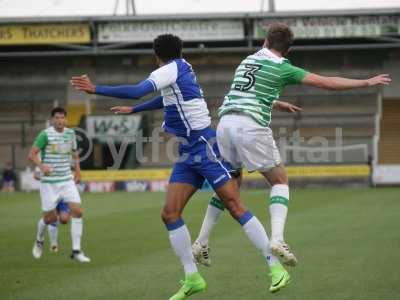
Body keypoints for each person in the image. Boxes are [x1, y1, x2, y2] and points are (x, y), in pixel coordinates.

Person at [71, 34, 291, 298]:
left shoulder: (169, 69)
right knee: (170, 213)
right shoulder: (181, 67)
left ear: (156, 54)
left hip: (206, 146)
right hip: (188, 151)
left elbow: (139, 89)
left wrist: (97, 89)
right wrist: (136, 110)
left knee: (234, 204)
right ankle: (192, 277)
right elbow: (167, 99)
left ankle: (275, 268)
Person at [191, 22, 391, 268]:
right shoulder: (284, 68)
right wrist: (366, 82)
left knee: (230, 185)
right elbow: (326, 83)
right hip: (250, 126)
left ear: (265, 42)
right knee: (279, 181)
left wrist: (276, 102)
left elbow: (247, 92)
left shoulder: (248, 61)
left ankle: (201, 242)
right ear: (287, 51)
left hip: (225, 124)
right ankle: (277, 239)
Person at [28, 107, 90, 262]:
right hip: (49, 183)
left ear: (66, 119)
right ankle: (39, 240)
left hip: (66, 180)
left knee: (78, 212)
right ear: (52, 119)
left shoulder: (70, 134)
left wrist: (78, 171)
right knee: (49, 219)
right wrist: (42, 167)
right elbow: (31, 154)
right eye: (57, 118)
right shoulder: (45, 135)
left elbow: (74, 153)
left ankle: (76, 251)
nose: (60, 120)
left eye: (62, 118)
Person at [34, 168, 71, 252]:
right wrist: (48, 178)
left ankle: (49, 222)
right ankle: (51, 243)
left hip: (63, 193)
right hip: (49, 193)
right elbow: (35, 175)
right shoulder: (42, 158)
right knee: (51, 218)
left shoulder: (62, 158)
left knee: (64, 219)